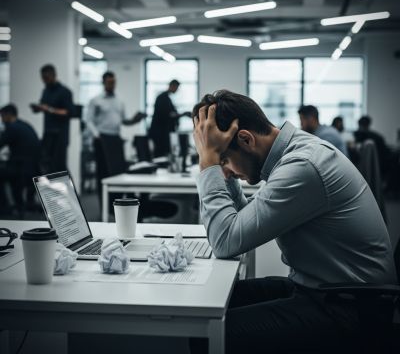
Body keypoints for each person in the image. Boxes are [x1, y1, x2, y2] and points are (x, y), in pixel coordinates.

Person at [191, 90, 396, 353]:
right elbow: (244, 222)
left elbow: (226, 241)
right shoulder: (295, 153)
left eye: (225, 160)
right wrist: (220, 166)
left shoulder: (303, 166)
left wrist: (208, 165)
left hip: (350, 307)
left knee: (207, 333)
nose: (227, 170)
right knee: (210, 302)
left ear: (245, 139)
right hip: (323, 291)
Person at [86, 71, 146, 203]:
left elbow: (124, 121)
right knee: (103, 173)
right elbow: (88, 120)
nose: (112, 85)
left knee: (118, 172)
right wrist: (96, 134)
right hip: (101, 139)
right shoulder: (96, 100)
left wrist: (135, 120)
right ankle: (104, 205)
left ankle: (116, 203)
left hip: (115, 139)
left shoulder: (119, 100)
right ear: (103, 83)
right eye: (109, 82)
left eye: (114, 82)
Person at [31, 64, 73, 173]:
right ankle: (51, 190)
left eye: (46, 78)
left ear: (54, 75)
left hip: (60, 135)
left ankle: (67, 190)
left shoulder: (65, 92)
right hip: (48, 133)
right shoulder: (45, 91)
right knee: (46, 164)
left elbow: (68, 112)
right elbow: (43, 106)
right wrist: (38, 108)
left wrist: (49, 109)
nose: (44, 81)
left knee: (59, 166)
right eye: (43, 78)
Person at [0, 104, 40, 212]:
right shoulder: (26, 125)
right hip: (33, 168)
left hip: (19, 169)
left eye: (2, 116)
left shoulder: (12, 127)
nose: (2, 120)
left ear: (8, 115)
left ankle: (4, 208)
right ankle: (18, 205)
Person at [148, 79, 191, 157]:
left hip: (162, 133)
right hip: (160, 133)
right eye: (176, 88)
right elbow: (168, 115)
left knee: (164, 153)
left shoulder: (166, 98)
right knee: (161, 154)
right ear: (172, 86)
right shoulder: (162, 98)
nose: (177, 90)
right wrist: (183, 114)